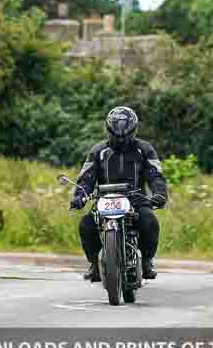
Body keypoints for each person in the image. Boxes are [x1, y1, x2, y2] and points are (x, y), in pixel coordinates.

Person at [69, 107, 168, 282]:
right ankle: (94, 264)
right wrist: (80, 196)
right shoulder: (97, 151)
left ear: (134, 130)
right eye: (116, 133)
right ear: (108, 130)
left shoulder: (144, 149)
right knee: (86, 225)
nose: (121, 137)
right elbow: (87, 178)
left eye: (126, 133)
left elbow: (155, 175)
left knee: (150, 222)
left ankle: (146, 262)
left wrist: (159, 194)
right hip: (104, 200)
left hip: (137, 199)